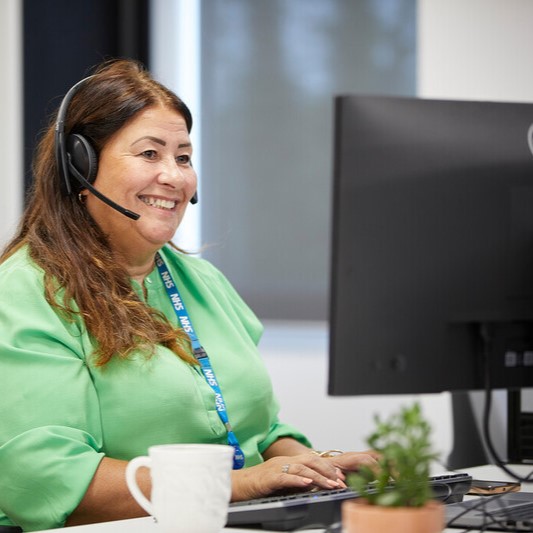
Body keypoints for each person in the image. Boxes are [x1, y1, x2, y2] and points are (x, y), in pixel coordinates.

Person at [0, 59, 378, 532]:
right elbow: (44, 478)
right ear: (81, 167)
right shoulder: (23, 294)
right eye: (150, 154)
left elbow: (257, 429)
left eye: (183, 157)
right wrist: (238, 484)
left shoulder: (203, 282)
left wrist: (316, 469)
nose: (175, 178)